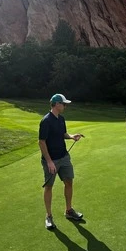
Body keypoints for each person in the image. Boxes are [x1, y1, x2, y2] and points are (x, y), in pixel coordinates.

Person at [38, 93, 84, 230]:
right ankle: (49, 216)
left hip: (64, 157)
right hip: (51, 160)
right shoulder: (46, 121)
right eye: (63, 104)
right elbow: (41, 142)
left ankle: (69, 211)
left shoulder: (61, 119)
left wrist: (71, 136)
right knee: (49, 187)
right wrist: (49, 162)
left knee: (69, 181)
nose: (65, 106)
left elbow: (63, 134)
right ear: (57, 104)